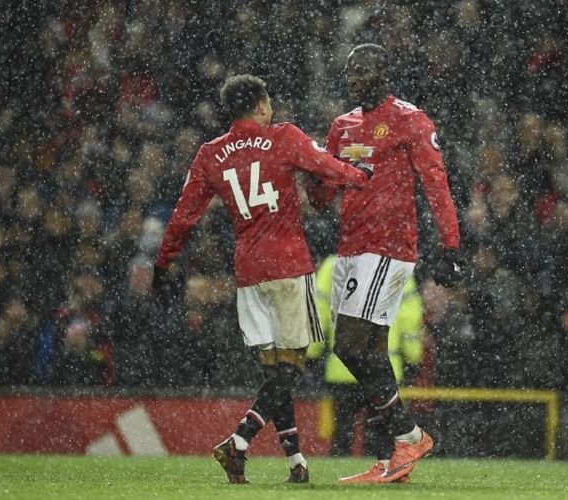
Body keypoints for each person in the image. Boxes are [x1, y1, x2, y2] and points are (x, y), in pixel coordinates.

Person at [152, 74, 371, 484]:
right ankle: (238, 441)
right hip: (287, 266)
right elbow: (328, 167)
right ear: (262, 105)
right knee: (292, 366)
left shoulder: (210, 154)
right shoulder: (283, 137)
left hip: (249, 272)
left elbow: (184, 215)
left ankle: (296, 464)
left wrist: (163, 264)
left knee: (274, 371)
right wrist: (362, 176)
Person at [306, 43, 462, 483]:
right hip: (349, 250)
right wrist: (315, 168)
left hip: (388, 247)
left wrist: (451, 246)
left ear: (385, 73)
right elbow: (322, 200)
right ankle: (391, 458)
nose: (356, 78)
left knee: (351, 346)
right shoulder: (343, 126)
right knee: (369, 353)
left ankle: (410, 435)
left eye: (365, 71)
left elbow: (436, 182)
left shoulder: (410, 120)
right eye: (351, 71)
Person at [307, 254, 425, 458]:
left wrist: (311, 353)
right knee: (380, 431)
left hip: (342, 367)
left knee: (342, 432)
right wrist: (413, 357)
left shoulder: (334, 264)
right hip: (384, 365)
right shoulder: (395, 264)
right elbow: (409, 317)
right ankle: (382, 469)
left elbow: (319, 311)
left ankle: (340, 478)